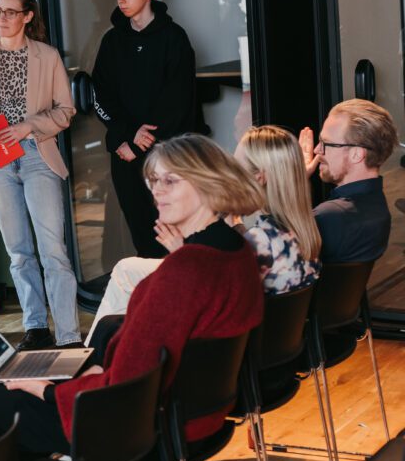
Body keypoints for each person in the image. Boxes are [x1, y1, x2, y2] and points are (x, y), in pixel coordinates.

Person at [0, 134, 263, 461]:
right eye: (154, 179)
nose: (157, 191)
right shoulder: (237, 250)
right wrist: (95, 371)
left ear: (209, 185)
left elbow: (124, 389)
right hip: (198, 416)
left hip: (144, 429)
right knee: (89, 346)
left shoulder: (183, 271)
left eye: (170, 181)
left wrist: (47, 390)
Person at [86, 125, 321, 341]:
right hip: (283, 343)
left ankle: (95, 355)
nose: (229, 173)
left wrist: (181, 252)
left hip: (247, 348)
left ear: (259, 177)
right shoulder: (301, 229)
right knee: (127, 270)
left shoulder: (257, 242)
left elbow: (210, 289)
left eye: (236, 166)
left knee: (125, 273)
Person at [0, 0, 80, 350]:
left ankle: (68, 335)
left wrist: (28, 126)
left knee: (53, 249)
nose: (1, 18)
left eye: (10, 12)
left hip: (36, 154)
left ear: (28, 16)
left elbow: (66, 111)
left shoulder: (47, 56)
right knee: (18, 250)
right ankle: (36, 327)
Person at [91, 0, 196, 258]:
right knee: (142, 236)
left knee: (173, 234)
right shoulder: (112, 41)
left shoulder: (174, 38)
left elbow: (178, 103)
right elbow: (101, 96)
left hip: (166, 156)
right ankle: (153, 287)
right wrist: (125, 136)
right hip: (124, 153)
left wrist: (138, 143)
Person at [299, 99, 396, 263]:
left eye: (326, 143)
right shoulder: (378, 206)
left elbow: (274, 246)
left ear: (356, 154)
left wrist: (294, 180)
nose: (316, 150)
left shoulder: (329, 216)